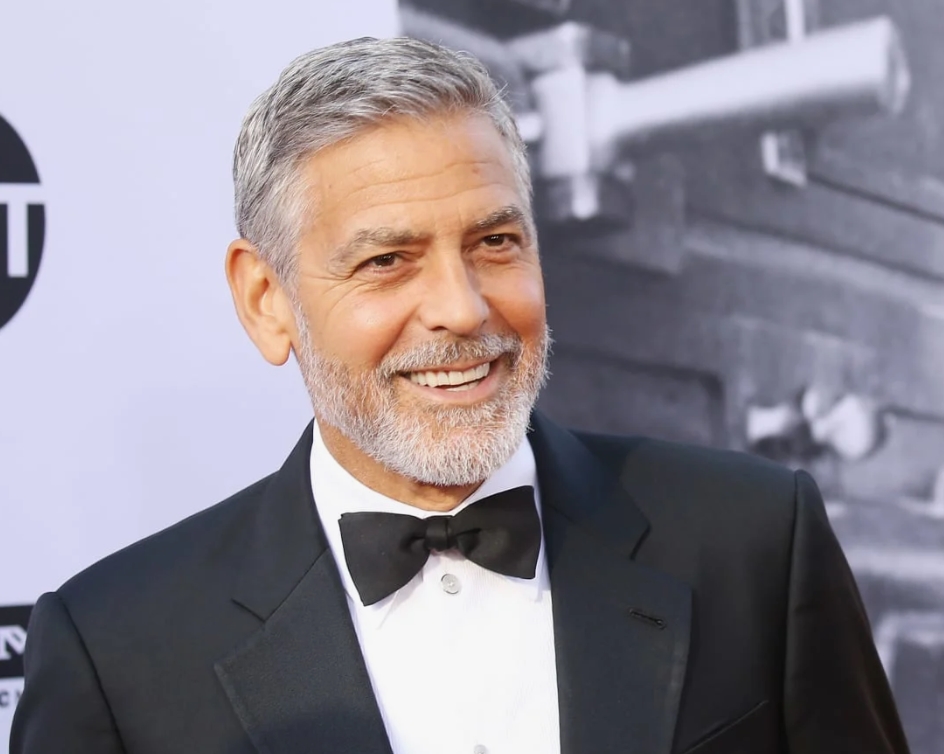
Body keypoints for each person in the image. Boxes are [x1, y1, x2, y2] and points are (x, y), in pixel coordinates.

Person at [11, 37, 909, 754]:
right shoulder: (116, 653)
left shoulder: (755, 543)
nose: (464, 307)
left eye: (495, 242)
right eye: (387, 260)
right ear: (266, 300)